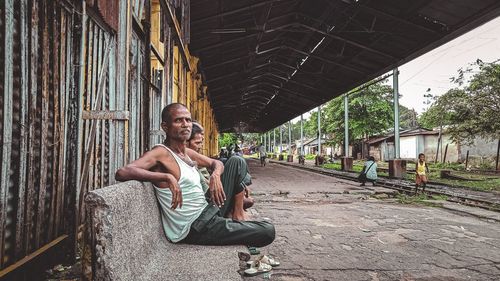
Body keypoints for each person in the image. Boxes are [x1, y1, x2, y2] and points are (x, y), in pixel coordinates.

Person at [115, 103, 274, 247]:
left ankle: (236, 215)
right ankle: (234, 216)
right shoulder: (160, 153)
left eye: (188, 120)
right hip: (196, 227)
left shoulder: (186, 152)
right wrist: (166, 177)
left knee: (236, 161)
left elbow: (216, 163)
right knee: (267, 230)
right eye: (178, 120)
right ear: (165, 126)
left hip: (209, 209)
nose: (185, 124)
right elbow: (123, 172)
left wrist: (216, 175)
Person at [188, 121, 254, 216]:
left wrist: (217, 175)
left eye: (201, 142)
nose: (200, 146)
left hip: (212, 199)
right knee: (237, 161)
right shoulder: (184, 156)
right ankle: (238, 214)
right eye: (197, 143)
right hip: (208, 207)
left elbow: (214, 168)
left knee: (236, 166)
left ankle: (237, 206)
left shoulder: (193, 158)